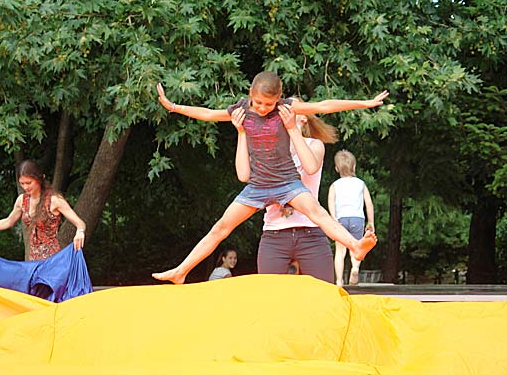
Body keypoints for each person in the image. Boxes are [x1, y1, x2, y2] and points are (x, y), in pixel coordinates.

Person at [152, 71, 385, 284]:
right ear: (250, 95)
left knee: (318, 213)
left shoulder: (286, 108)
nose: (263, 108)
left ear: (278, 98)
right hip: (258, 185)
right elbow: (209, 114)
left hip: (287, 182)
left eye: (269, 103)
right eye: (258, 102)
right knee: (221, 227)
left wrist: (363, 103)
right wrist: (173, 106)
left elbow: (323, 106)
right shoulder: (242, 110)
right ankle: (181, 271)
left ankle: (355, 246)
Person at [252, 100, 337, 283]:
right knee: (268, 294)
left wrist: (293, 130)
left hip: (310, 232)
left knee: (324, 292)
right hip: (274, 233)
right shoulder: (269, 148)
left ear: (303, 117)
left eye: (292, 109)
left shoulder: (314, 144)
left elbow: (311, 168)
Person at [0, 159, 86, 261]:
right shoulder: (22, 200)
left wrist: (80, 232)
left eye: (29, 183)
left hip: (52, 260)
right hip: (32, 260)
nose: (25, 187)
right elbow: (8, 221)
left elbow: (80, 223)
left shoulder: (54, 200)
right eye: (22, 183)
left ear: (39, 179)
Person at [328, 150, 375, 286]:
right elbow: (369, 203)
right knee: (356, 247)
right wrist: (371, 222)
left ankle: (339, 280)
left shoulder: (335, 185)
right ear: (354, 166)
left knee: (340, 251)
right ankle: (355, 268)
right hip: (357, 219)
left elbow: (331, 202)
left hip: (341, 220)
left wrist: (333, 219)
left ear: (337, 169)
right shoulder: (361, 184)